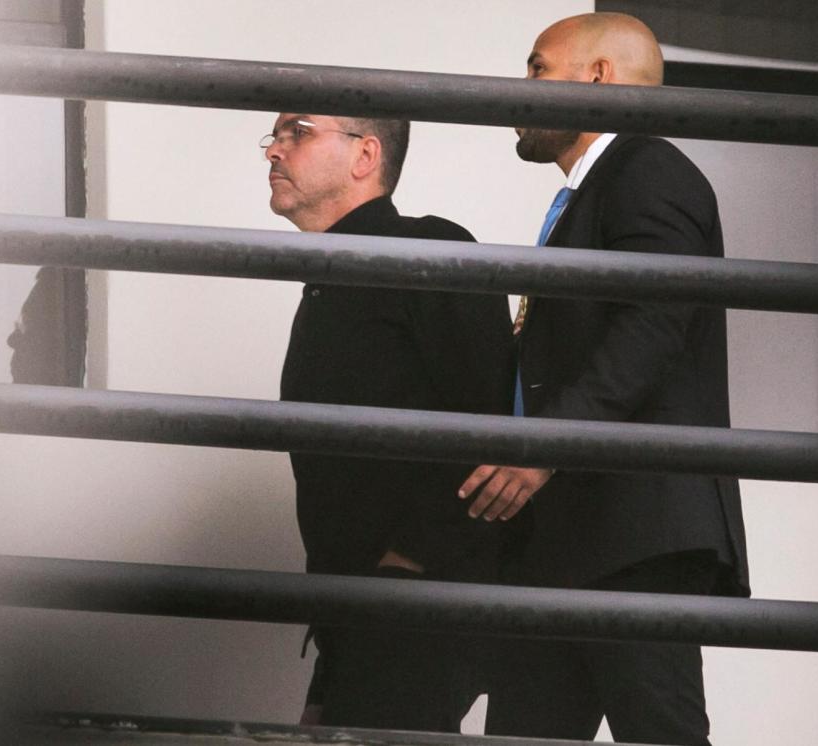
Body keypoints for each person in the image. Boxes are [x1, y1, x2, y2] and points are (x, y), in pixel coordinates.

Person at [457, 13, 749, 746]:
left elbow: (654, 323)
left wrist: (541, 446)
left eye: (537, 68)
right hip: (563, 536)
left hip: (634, 534)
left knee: (662, 733)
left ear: (597, 77)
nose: (520, 89)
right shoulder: (593, 194)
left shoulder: (650, 168)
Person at [266, 112, 513, 731]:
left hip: (418, 605)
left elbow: (488, 416)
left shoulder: (428, 248)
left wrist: (411, 560)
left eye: (297, 131)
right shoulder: (326, 283)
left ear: (365, 155)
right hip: (354, 615)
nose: (273, 149)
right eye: (274, 135)